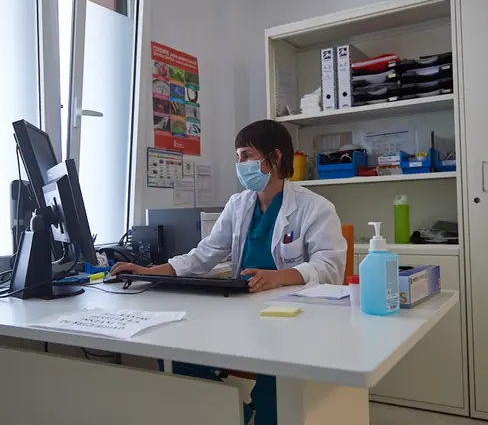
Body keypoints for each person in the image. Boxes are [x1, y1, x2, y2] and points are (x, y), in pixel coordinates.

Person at [111, 119, 347, 424]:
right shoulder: (239, 204)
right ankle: (233, 410)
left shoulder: (315, 207)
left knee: (275, 395)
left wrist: (276, 277)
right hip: (245, 311)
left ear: (274, 158)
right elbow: (205, 254)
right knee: (171, 349)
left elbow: (330, 268)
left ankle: (261, 412)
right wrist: (148, 271)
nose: (241, 164)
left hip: (292, 319)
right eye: (239, 157)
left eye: (247, 155)